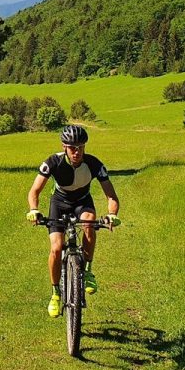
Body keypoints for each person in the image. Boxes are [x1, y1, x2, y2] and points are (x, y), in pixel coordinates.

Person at [25, 124, 121, 318]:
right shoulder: (53, 162)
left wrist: (111, 214)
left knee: (89, 224)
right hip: (59, 203)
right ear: (64, 147)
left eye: (80, 147)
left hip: (82, 202)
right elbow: (34, 191)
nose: (77, 152)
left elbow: (111, 196)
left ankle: (87, 270)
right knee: (56, 247)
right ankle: (55, 293)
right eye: (72, 147)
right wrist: (34, 210)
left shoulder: (94, 164)